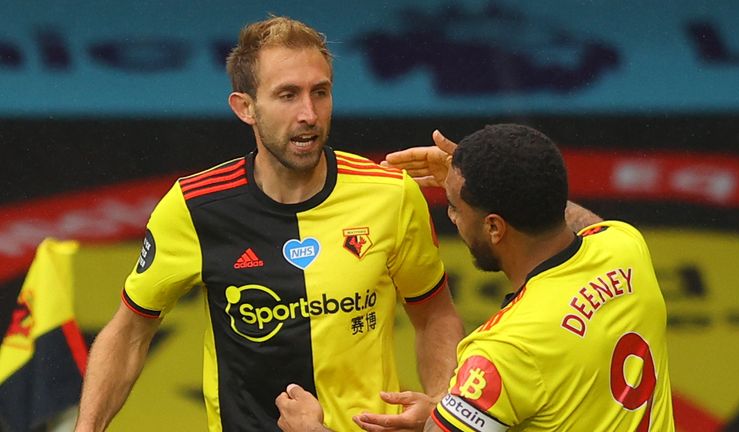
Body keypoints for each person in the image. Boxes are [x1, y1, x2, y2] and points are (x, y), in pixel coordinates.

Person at [74, 16, 464, 432]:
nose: (309, 114)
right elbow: (130, 332)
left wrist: (442, 408)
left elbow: (435, 314)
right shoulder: (194, 207)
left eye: (321, 92)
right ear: (245, 108)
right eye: (287, 95)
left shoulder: (390, 193)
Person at [275, 123, 675, 431]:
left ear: (495, 228)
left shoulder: (503, 350)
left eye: (454, 207)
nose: (451, 216)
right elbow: (570, 215)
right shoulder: (624, 248)